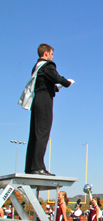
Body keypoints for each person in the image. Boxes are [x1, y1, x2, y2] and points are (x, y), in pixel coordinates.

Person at [25, 44, 73, 176]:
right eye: (51, 54)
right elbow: (56, 77)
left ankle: (30, 166)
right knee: (43, 133)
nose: (52, 56)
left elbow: (45, 84)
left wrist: (56, 87)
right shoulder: (48, 65)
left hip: (37, 100)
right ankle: (38, 167)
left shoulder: (36, 67)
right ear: (46, 53)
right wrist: (66, 83)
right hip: (44, 101)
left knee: (34, 134)